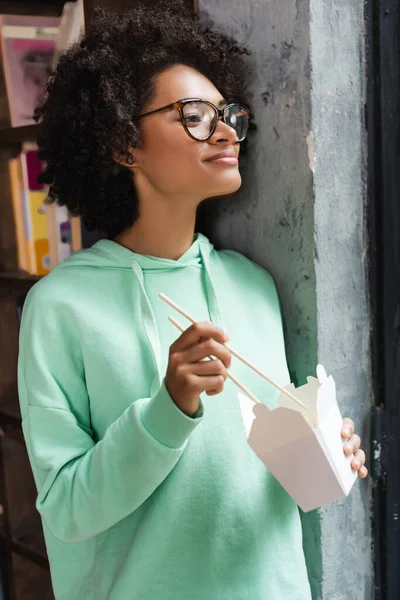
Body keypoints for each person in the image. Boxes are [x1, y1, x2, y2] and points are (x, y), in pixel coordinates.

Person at [18, 3, 367, 599]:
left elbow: (256, 473)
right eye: (195, 117)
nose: (227, 131)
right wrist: (169, 408)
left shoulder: (253, 285)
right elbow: (66, 508)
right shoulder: (59, 307)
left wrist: (322, 448)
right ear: (123, 144)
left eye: (227, 115)